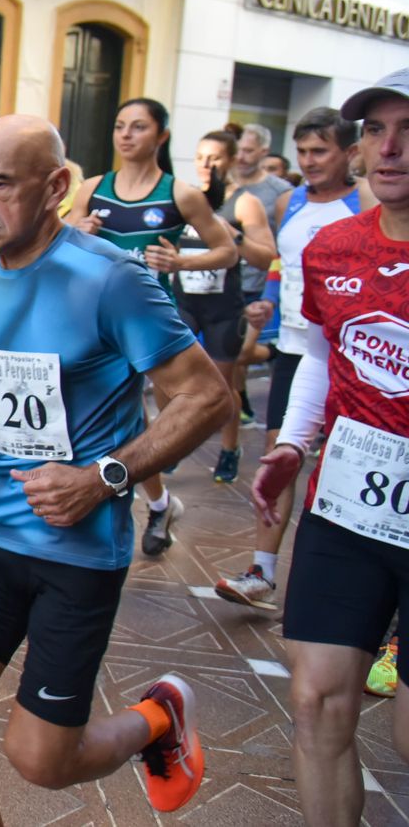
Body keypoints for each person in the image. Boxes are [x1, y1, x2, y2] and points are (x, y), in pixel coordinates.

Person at [0, 114, 232, 822]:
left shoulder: (109, 280)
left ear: (56, 186)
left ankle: (159, 718)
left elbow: (205, 395)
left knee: (43, 760)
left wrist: (105, 479)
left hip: (77, 551)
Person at [248, 69, 409, 827]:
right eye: (376, 130)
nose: (391, 148)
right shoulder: (334, 247)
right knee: (316, 702)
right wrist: (289, 445)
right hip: (346, 506)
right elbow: (318, 351)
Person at [216, 107, 376, 612]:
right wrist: (267, 301)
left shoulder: (364, 200)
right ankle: (261, 571)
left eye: (320, 151)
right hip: (296, 349)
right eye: (302, 151)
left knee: (353, 468)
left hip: (355, 359)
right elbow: (285, 264)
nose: (308, 161)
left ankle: (372, 603)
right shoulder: (291, 201)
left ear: (349, 153)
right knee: (279, 455)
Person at [67, 98, 237, 557]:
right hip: (92, 321)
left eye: (138, 127)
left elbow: (227, 251)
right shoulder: (94, 188)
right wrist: (74, 228)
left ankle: (115, 505)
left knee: (132, 420)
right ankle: (155, 504)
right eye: (120, 125)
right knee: (121, 418)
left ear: (160, 136)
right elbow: (58, 239)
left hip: (148, 325)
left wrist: (181, 260)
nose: (125, 135)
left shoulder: (179, 194)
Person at [185, 130, 276, 483]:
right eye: (199, 158)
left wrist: (232, 235)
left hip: (224, 307)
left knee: (224, 387)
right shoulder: (186, 198)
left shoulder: (243, 202)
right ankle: (169, 446)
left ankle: (229, 447)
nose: (206, 166)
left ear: (232, 160)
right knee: (167, 380)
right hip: (186, 301)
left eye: (215, 158)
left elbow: (265, 256)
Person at [228, 123, 293, 425]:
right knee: (230, 358)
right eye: (239, 149)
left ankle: (276, 353)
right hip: (225, 286)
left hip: (258, 283)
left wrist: (273, 291)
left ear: (264, 152)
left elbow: (284, 246)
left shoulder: (279, 192)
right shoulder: (222, 185)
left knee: (239, 355)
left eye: (249, 151)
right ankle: (241, 409)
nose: (241, 156)